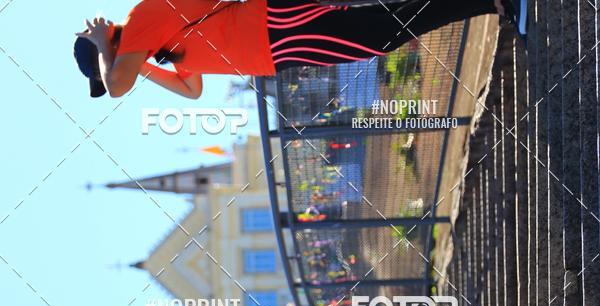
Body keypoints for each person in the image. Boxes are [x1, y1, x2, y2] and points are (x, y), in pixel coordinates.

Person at [73, 1, 529, 99]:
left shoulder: (138, 24)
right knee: (379, 28)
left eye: (102, 63)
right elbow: (192, 90)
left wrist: (104, 54)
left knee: (379, 33)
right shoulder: (156, 47)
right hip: (276, 46)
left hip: (275, 30)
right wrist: (146, 69)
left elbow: (117, 87)